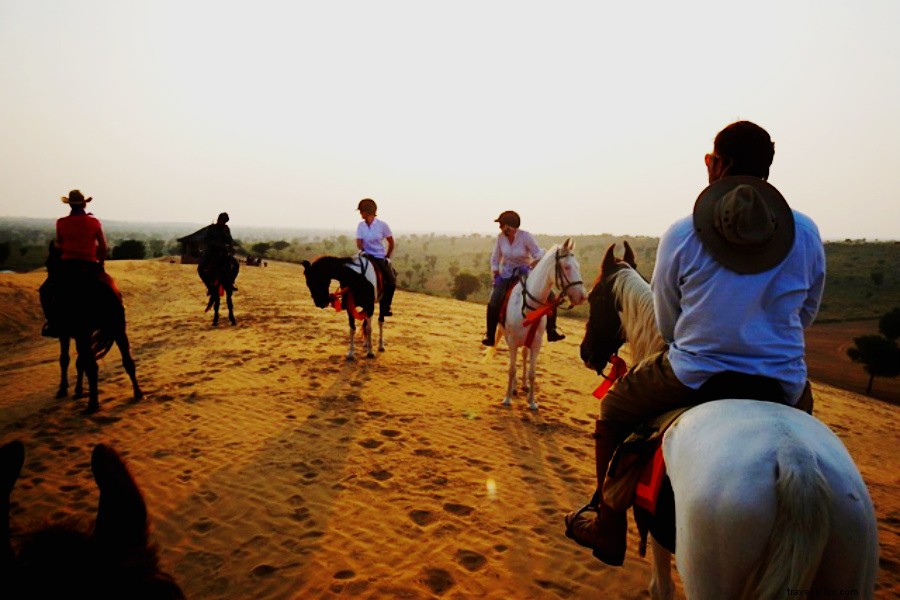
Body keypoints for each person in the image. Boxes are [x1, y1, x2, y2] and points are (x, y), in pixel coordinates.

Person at [564, 121, 826, 566]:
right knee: (809, 442)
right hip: (783, 382)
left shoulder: (683, 232)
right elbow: (807, 312)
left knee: (613, 411)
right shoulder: (805, 231)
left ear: (719, 164)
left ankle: (609, 526)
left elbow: (667, 324)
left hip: (694, 375)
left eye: (711, 159)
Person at [481, 210, 565, 346]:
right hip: (507, 274)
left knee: (550, 296)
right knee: (494, 299)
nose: (500, 228)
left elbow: (537, 254)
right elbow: (495, 257)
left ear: (509, 226)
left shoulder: (526, 237)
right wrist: (495, 272)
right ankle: (490, 334)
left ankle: (552, 330)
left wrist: (532, 265)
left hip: (526, 273)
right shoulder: (500, 238)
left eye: (502, 225)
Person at [41, 190, 113, 336]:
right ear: (84, 204)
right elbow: (103, 247)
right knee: (110, 291)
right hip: (90, 265)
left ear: (69, 205)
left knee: (45, 291)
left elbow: (59, 243)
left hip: (67, 265)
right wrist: (101, 263)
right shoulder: (94, 222)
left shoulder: (61, 222)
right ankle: (112, 319)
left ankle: (53, 323)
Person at [355, 198, 396, 316]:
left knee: (391, 280)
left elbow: (391, 242)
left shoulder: (382, 225)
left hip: (378, 257)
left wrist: (387, 256)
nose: (360, 213)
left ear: (368, 211)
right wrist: (362, 250)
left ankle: (386, 306)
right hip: (365, 255)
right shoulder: (361, 225)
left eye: (361, 211)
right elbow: (359, 241)